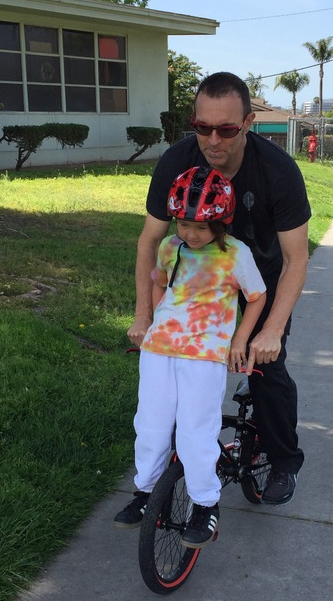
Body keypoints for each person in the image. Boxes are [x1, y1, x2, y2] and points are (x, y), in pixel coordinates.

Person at [127, 71, 311, 507]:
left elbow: (296, 259)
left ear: (247, 122)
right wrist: (143, 315)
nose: (213, 140)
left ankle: (283, 460)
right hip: (198, 283)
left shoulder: (277, 171)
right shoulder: (177, 161)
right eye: (202, 127)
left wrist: (271, 331)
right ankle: (159, 474)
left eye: (226, 129)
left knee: (266, 370)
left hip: (258, 277)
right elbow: (150, 242)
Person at [114, 166, 267, 547]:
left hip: (204, 354)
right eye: (183, 224)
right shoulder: (170, 247)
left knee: (195, 432)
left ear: (220, 223)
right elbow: (159, 283)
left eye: (200, 227)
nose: (190, 234)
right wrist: (151, 321)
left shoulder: (235, 254)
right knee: (150, 424)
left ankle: (205, 505)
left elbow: (257, 297)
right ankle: (145, 491)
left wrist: (240, 340)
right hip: (160, 348)